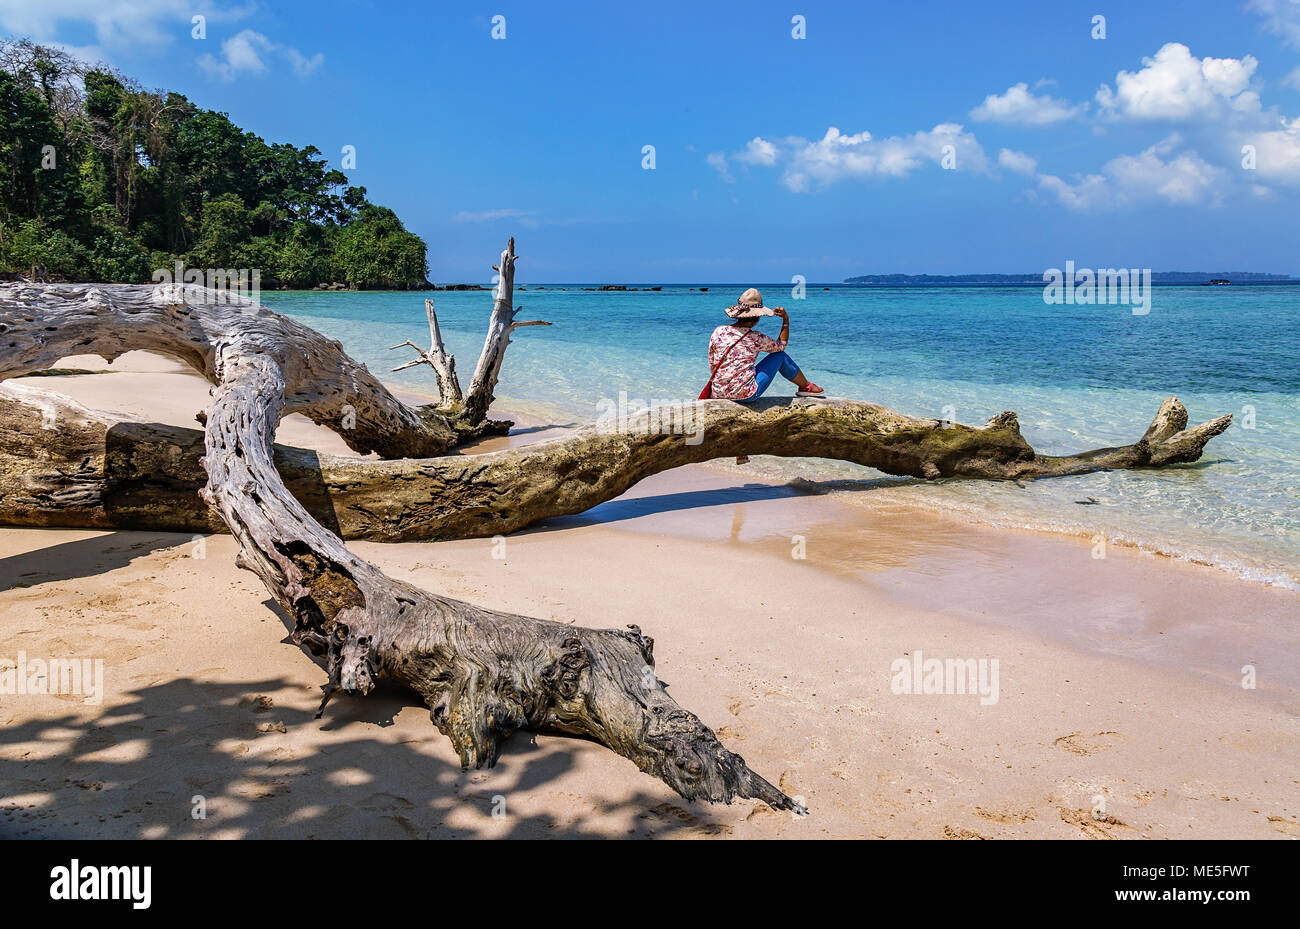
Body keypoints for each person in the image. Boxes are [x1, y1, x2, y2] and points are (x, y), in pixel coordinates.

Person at [705, 288, 824, 401]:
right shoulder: (756, 338)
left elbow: (713, 363)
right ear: (758, 317)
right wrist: (785, 320)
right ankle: (806, 386)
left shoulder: (718, 331)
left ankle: (806, 386)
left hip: (718, 392)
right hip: (745, 395)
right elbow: (781, 346)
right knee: (780, 356)